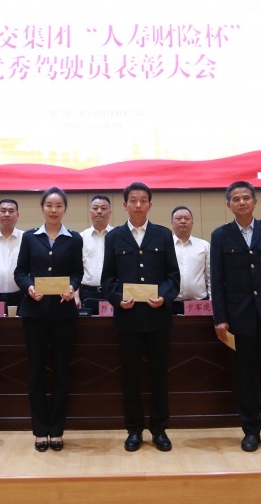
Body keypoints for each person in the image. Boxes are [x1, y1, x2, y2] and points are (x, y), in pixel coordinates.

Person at [211, 182, 261, 452]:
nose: (242, 202)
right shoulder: (220, 235)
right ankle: (250, 430)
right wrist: (220, 317)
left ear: (255, 202)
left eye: (246, 197)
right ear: (228, 205)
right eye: (236, 199)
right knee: (244, 376)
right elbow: (218, 280)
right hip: (238, 317)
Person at [102, 182, 180, 452]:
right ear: (125, 205)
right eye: (133, 200)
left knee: (159, 374)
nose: (138, 205)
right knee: (131, 376)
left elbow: (173, 276)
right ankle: (134, 429)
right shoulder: (114, 237)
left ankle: (159, 429)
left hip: (158, 317)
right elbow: (108, 279)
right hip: (128, 317)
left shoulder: (163, 235)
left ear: (150, 205)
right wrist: (117, 298)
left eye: (143, 200)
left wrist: (164, 297)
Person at [13, 187, 83, 452]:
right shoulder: (30, 237)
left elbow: (77, 272)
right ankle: (40, 429)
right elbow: (20, 272)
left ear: (65, 209)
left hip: (64, 314)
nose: (54, 210)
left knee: (62, 371)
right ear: (42, 208)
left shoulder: (74, 239)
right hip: (35, 313)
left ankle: (57, 429)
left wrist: (72, 287)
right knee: (36, 371)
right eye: (49, 205)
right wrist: (28, 287)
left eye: (59, 206)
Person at [170, 206, 210, 314]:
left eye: (187, 218)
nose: (183, 221)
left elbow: (211, 276)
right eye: (178, 218)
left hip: (199, 304)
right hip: (171, 303)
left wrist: (211, 300)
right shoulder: (165, 246)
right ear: (172, 223)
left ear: (192, 223)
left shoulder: (204, 245)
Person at [79, 195, 114, 305]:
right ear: (90, 213)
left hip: (112, 292)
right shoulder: (81, 237)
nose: (99, 211)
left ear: (110, 213)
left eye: (103, 208)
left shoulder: (117, 236)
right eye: (95, 208)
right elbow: (75, 269)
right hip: (86, 293)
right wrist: (75, 295)